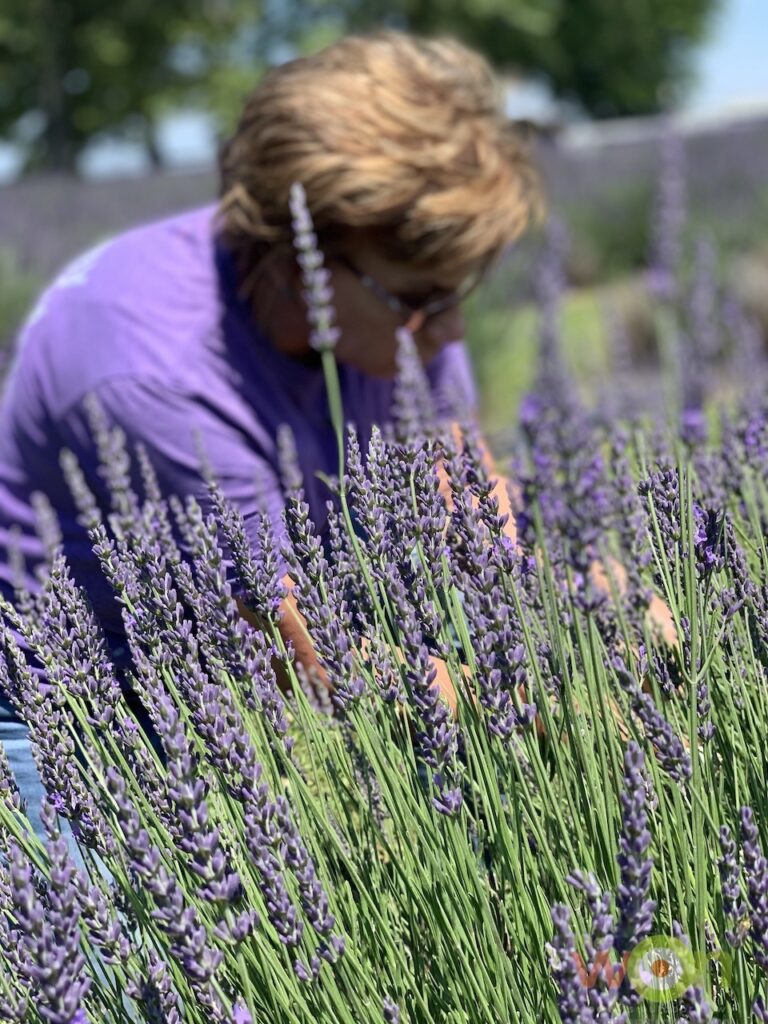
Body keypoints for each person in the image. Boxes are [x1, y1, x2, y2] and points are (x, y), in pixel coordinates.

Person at [0, 28, 541, 833]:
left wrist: (589, 620)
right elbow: (308, 659)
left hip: (251, 656)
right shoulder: (156, 370)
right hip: (81, 712)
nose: (452, 331)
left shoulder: (400, 310)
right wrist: (554, 696)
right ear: (300, 259)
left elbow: (478, 519)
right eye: (426, 296)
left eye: (465, 289)